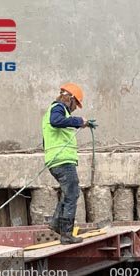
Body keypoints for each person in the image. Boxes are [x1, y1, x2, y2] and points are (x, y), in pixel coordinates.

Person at [41, 83, 96, 244]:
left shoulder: (54, 110)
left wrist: (82, 123)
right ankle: (66, 234)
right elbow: (56, 121)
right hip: (62, 161)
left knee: (69, 192)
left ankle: (56, 223)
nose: (75, 108)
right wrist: (79, 121)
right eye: (76, 104)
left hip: (56, 161)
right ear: (70, 99)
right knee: (72, 194)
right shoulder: (58, 108)